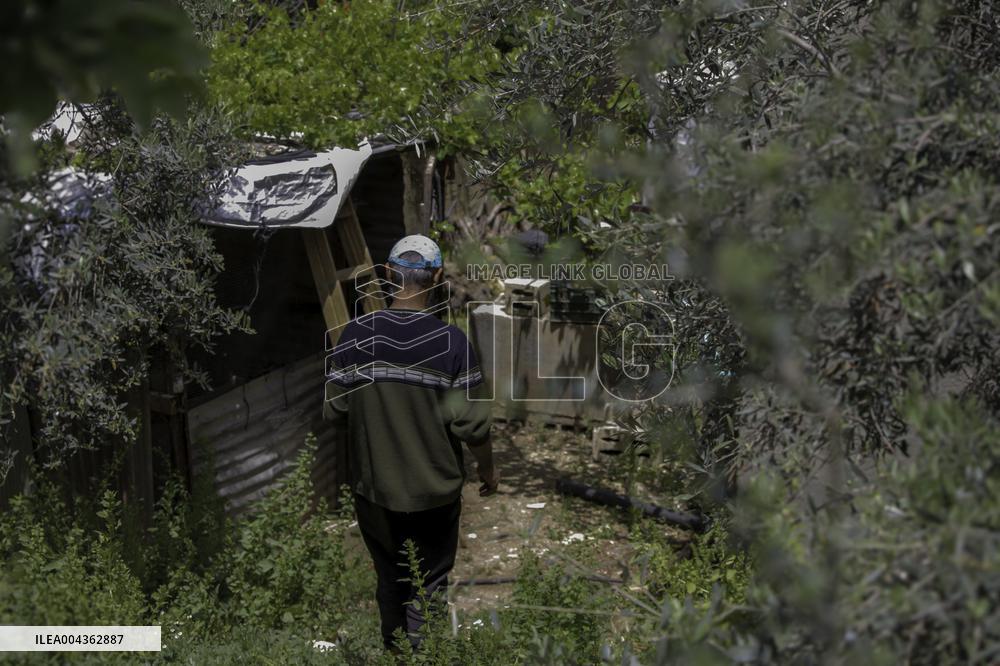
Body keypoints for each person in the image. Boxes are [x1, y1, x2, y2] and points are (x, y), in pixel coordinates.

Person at [324, 234, 498, 652]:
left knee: (390, 580)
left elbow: (335, 411)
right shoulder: (453, 345)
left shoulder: (353, 337)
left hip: (374, 492)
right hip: (433, 496)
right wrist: (488, 471)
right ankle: (424, 657)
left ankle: (395, 654)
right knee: (429, 586)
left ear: (387, 274)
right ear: (437, 278)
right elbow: (473, 428)